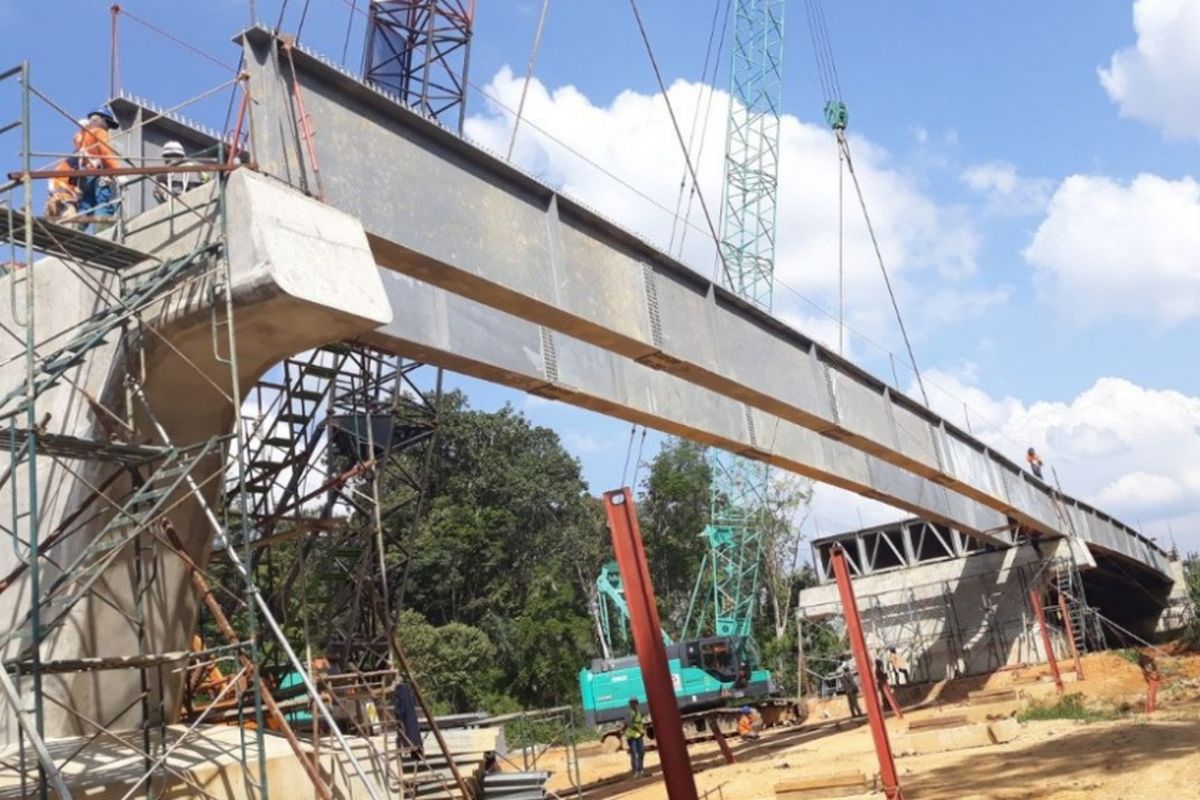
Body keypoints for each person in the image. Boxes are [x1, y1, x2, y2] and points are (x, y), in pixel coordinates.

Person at [75, 107, 122, 231]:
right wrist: (118, 172)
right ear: (101, 120)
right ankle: (102, 231)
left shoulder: (82, 136)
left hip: (84, 177)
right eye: (107, 123)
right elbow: (106, 153)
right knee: (103, 202)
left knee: (86, 205)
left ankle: (75, 229)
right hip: (98, 174)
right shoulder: (99, 132)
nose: (108, 128)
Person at [44, 156, 80, 223]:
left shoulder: (63, 167)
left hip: (56, 198)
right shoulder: (71, 164)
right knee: (70, 221)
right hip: (64, 200)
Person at [392, 679, 422, 760]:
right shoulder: (406, 693)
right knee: (413, 735)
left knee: (408, 733)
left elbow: (399, 710)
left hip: (406, 720)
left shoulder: (401, 692)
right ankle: (416, 751)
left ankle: (415, 751)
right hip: (410, 720)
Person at [623, 698, 646, 778]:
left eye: (635, 703)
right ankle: (636, 771)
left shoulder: (638, 713)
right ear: (630, 705)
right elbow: (629, 723)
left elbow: (641, 723)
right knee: (634, 753)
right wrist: (639, 730)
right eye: (632, 703)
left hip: (638, 735)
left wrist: (642, 730)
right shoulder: (630, 713)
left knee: (641, 752)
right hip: (632, 736)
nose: (634, 705)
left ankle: (641, 770)